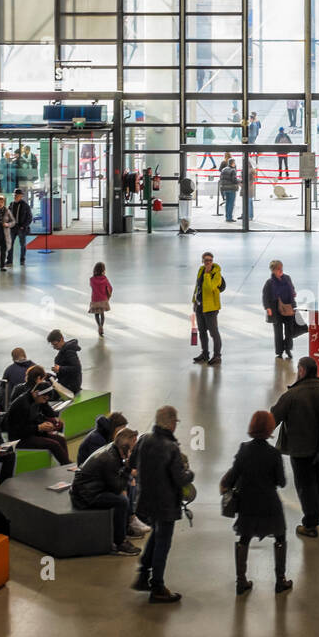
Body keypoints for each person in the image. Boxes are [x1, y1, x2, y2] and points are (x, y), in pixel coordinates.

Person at [271, 356, 319, 539]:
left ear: (302, 371)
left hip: (300, 449)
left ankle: (311, 524)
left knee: (306, 485)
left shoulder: (292, 395)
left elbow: (273, 418)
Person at [221, 410, 292, 596]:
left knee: (244, 538)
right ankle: (280, 581)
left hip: (247, 503)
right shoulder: (274, 454)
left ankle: (241, 581)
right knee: (280, 537)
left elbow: (233, 475)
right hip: (270, 505)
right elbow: (281, 482)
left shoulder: (244, 449)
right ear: (269, 428)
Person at [131, 407, 194, 602]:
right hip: (166, 504)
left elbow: (132, 461)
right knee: (163, 542)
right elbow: (180, 479)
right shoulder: (171, 447)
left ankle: (143, 574)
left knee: (157, 535)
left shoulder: (144, 440)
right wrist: (190, 474)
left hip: (146, 500)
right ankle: (157, 586)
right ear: (171, 423)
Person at [72, 427, 142, 556]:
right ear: (125, 448)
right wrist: (128, 470)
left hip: (94, 486)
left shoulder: (114, 449)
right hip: (85, 495)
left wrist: (127, 473)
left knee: (130, 485)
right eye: (132, 447)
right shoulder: (109, 459)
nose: (134, 451)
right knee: (121, 501)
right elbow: (117, 487)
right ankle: (120, 543)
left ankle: (126, 526)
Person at [6, 377, 70, 464]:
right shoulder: (22, 404)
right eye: (44, 399)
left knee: (61, 440)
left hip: (30, 433)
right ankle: (67, 465)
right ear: (36, 393)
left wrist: (46, 424)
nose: (44, 402)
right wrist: (39, 427)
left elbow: (36, 417)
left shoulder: (36, 399)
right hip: (19, 438)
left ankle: (66, 464)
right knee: (54, 445)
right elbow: (18, 431)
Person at [191, 251, 224, 366]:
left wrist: (207, 274)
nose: (208, 262)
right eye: (206, 260)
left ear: (213, 261)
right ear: (203, 261)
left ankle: (217, 356)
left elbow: (210, 288)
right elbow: (198, 287)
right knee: (202, 331)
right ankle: (205, 353)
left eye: (210, 260)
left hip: (211, 308)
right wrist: (194, 301)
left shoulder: (216, 273)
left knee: (214, 332)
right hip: (200, 306)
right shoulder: (201, 270)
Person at [262, 259, 297, 359]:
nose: (280, 270)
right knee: (278, 332)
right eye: (278, 269)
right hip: (275, 310)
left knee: (289, 331)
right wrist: (267, 308)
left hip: (288, 308)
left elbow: (292, 289)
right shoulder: (269, 283)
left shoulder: (287, 278)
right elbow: (265, 296)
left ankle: (288, 349)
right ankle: (279, 351)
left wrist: (293, 296)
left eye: (281, 268)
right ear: (273, 270)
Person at [47, 329, 83, 393]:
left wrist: (60, 369)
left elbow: (77, 368)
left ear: (61, 339)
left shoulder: (69, 351)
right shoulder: (65, 350)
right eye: (53, 345)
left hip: (70, 386)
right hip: (67, 383)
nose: (54, 347)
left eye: (55, 344)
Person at [7, 188, 33, 266]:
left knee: (22, 245)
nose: (16, 197)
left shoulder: (25, 206)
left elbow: (29, 217)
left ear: (21, 196)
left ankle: (22, 259)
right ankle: (9, 261)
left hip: (21, 228)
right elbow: (7, 216)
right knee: (10, 244)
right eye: (15, 195)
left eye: (18, 195)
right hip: (13, 228)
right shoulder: (11, 205)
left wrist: (23, 226)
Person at [89, 261, 112, 338]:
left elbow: (91, 286)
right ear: (103, 270)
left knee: (96, 314)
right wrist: (108, 296)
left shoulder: (92, 279)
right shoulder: (105, 279)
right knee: (102, 314)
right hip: (103, 299)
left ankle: (99, 326)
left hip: (95, 300)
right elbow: (110, 288)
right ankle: (102, 326)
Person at [219, 156, 239, 222]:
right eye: (234, 163)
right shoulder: (233, 170)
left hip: (224, 188)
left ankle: (227, 217)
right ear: (233, 163)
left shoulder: (223, 169)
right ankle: (229, 217)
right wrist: (239, 181)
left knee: (227, 203)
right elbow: (234, 180)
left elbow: (221, 178)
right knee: (231, 203)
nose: (235, 164)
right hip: (231, 188)